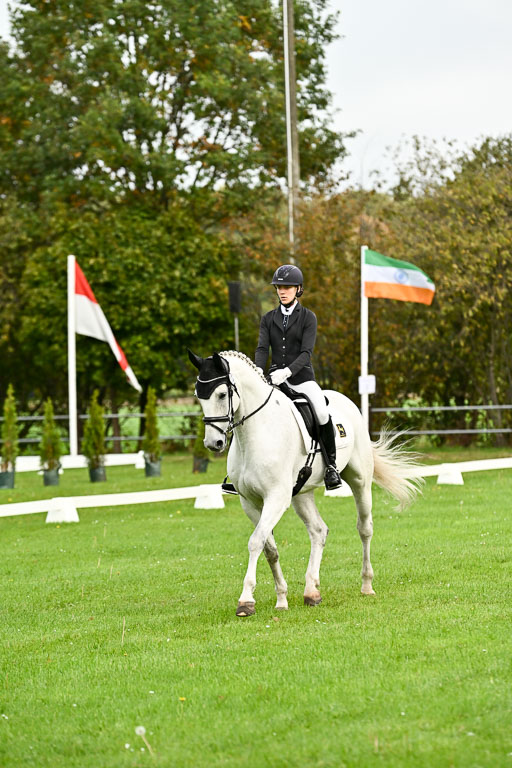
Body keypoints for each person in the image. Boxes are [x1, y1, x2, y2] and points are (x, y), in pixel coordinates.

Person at [254, 264, 342, 490]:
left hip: (301, 378)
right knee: (248, 409)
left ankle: (331, 466)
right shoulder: (268, 318)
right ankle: (239, 472)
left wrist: (288, 371)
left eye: (288, 287)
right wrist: (257, 373)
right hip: (274, 380)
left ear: (298, 289)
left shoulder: (308, 318)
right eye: (279, 287)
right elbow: (263, 349)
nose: (282, 291)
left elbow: (306, 353)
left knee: (321, 412)